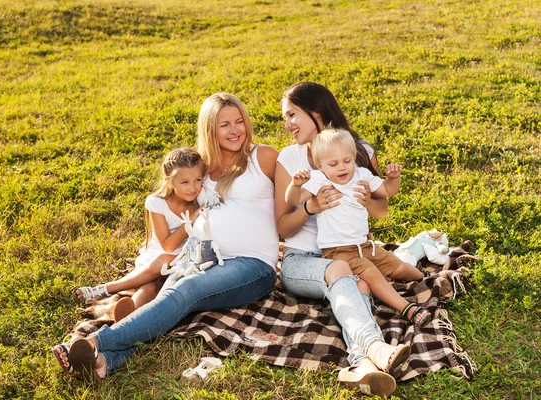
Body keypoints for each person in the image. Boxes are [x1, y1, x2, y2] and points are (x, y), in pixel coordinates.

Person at [53, 92, 279, 382]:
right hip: (197, 258)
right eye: (225, 124)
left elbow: (292, 199)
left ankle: (95, 343)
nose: (235, 130)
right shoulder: (202, 169)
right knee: (166, 307)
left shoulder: (263, 156)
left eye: (239, 122)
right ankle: (105, 363)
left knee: (186, 293)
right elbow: (170, 197)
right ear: (210, 128)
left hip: (251, 264)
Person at [275, 82, 412, 396]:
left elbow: (381, 211)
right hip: (301, 262)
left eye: (293, 115)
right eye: (286, 117)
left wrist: (368, 202)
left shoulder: (358, 150)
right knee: (341, 270)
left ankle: (361, 366)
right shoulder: (290, 158)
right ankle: (378, 348)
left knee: (357, 279)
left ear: (318, 113)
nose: (287, 124)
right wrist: (311, 206)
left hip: (351, 254)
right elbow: (283, 228)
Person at [286, 128, 430, 326]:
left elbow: (388, 190)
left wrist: (393, 179)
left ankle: (427, 277)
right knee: (370, 272)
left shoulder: (362, 175)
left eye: (347, 161)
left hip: (366, 246)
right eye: (333, 164)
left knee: (399, 268)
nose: (342, 167)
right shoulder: (318, 180)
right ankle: (406, 308)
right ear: (320, 166)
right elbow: (293, 199)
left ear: (354, 157)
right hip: (339, 252)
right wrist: (295, 185)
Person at [71, 147, 206, 323]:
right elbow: (167, 245)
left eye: (198, 180)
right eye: (185, 182)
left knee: (155, 286)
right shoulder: (157, 203)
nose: (193, 188)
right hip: (160, 255)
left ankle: (128, 317)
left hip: (186, 258)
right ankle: (109, 290)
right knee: (160, 268)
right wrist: (190, 222)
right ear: (169, 181)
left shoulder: (200, 198)